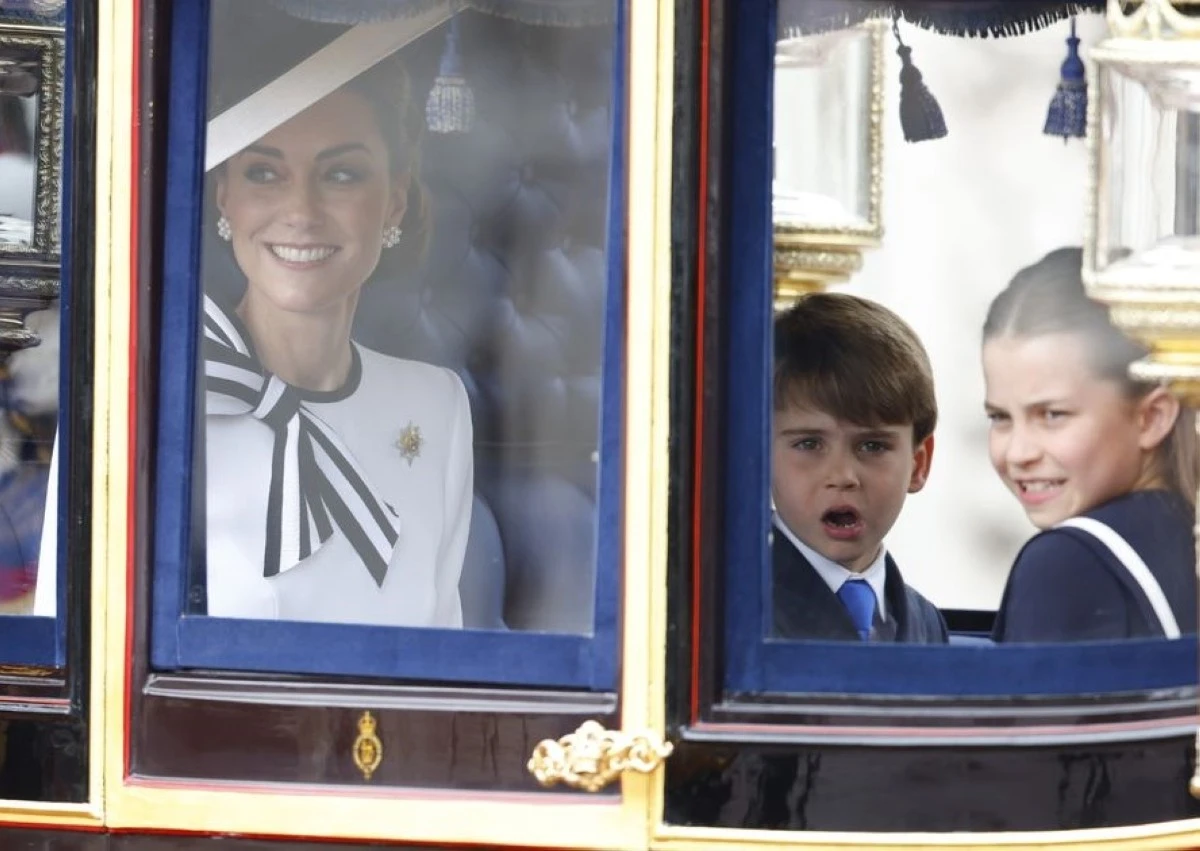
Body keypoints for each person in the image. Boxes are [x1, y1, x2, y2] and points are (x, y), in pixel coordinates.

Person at [202, 49, 473, 627]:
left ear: (394, 199)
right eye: (264, 173)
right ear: (225, 193)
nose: (301, 211)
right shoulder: (145, 405)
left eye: (341, 175)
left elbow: (442, 666)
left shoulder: (437, 406)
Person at [983, 247, 1198, 642]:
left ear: (1151, 418)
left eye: (1052, 415)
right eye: (999, 417)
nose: (1018, 453)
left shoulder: (1066, 562)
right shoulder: (1184, 530)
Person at [771, 292, 948, 643]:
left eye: (872, 446)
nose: (842, 476)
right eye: (809, 444)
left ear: (918, 463)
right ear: (758, 455)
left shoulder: (926, 622)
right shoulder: (729, 607)